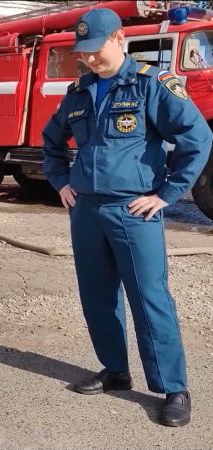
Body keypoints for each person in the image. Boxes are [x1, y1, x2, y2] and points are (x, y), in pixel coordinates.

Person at [42, 8, 212, 427]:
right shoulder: (79, 93)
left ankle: (174, 388)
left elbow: (198, 137)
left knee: (150, 300)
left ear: (119, 39)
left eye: (95, 51)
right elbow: (51, 140)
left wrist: (167, 194)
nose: (89, 60)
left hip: (133, 211)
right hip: (87, 212)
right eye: (82, 53)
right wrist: (61, 181)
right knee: (97, 298)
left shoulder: (151, 85)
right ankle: (115, 371)